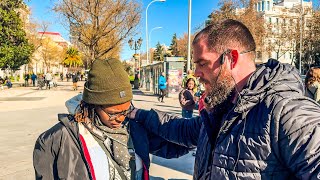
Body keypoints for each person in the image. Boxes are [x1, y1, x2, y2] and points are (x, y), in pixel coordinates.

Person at [128, 19, 320, 179]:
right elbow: (184, 131)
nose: (196, 73)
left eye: (202, 63)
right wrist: (139, 115)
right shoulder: (223, 107)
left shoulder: (287, 110)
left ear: (232, 58)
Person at [33, 58, 190, 180]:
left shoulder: (134, 128)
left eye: (126, 110)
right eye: (113, 113)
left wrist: (146, 117)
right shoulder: (56, 140)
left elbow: (175, 146)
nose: (120, 119)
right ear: (93, 104)